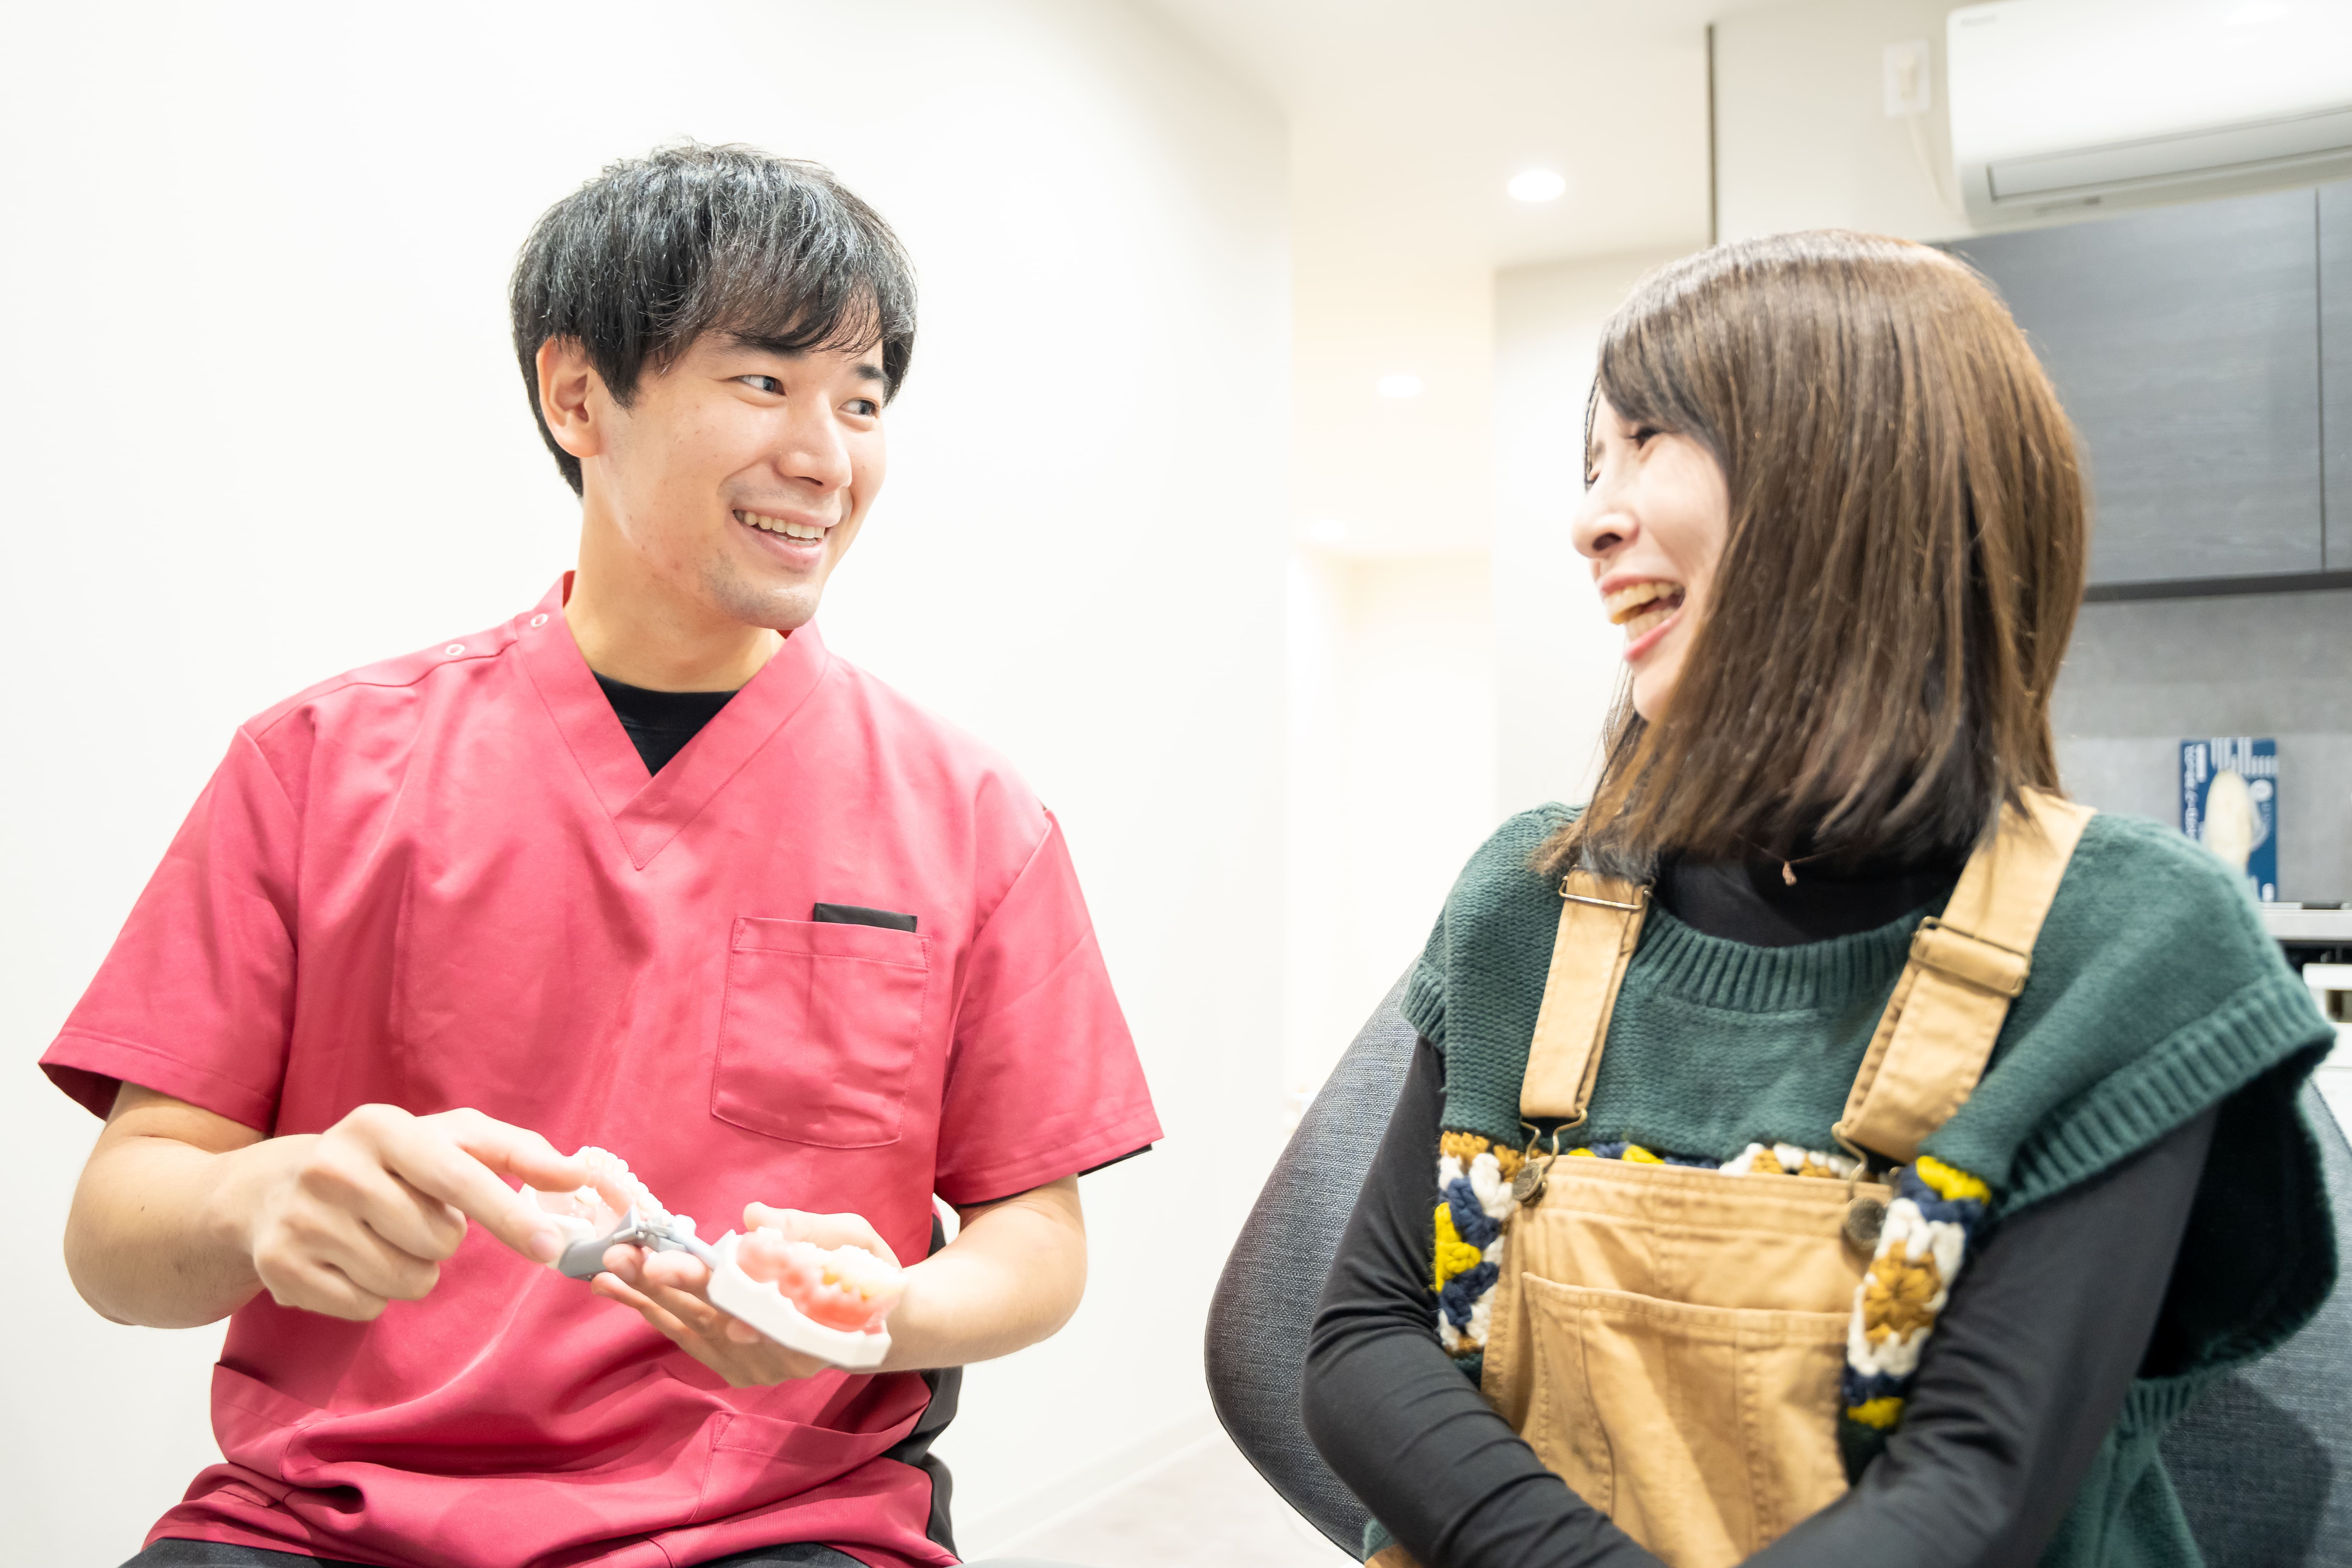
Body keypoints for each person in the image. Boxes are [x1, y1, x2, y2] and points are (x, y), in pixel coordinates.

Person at [48, 143, 1160, 1568]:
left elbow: (1037, 1241)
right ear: (581, 395)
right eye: (763, 383)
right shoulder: (316, 766)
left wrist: (892, 1312)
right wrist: (252, 1200)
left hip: (777, 1522)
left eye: (862, 398)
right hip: (325, 1521)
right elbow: (116, 1242)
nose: (826, 454)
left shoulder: (971, 816)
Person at [1299, 231, 2337, 1568]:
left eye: (1650, 437)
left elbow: (1971, 1492)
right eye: (1589, 463)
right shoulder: (1532, 898)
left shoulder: (2126, 943)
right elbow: (1359, 1338)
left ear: (1854, 473)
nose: (1589, 519)